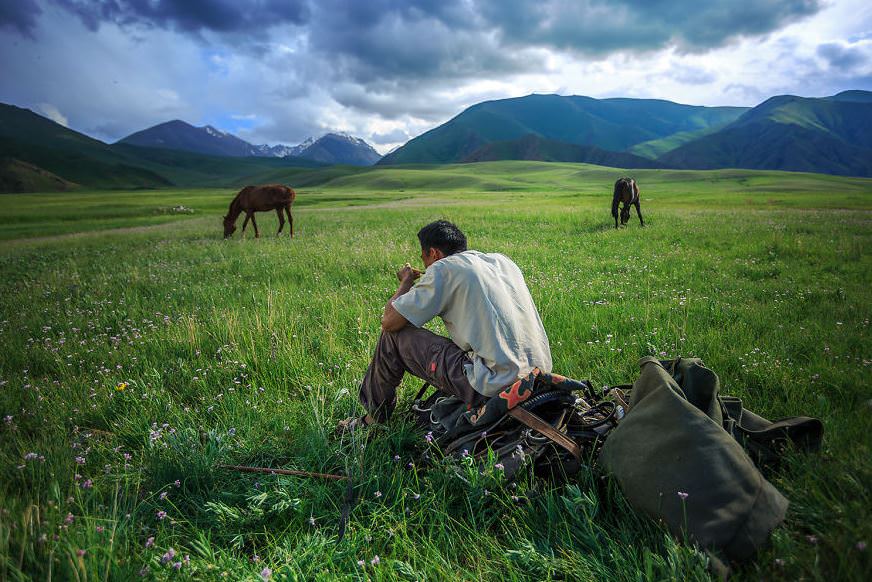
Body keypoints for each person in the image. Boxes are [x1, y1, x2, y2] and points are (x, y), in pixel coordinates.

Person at [342, 220, 552, 429]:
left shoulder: (444, 268)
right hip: (539, 376)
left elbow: (390, 322)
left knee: (394, 337)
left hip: (496, 383)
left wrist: (405, 282)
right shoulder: (503, 262)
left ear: (433, 253)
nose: (425, 266)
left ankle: (372, 421)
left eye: (423, 258)